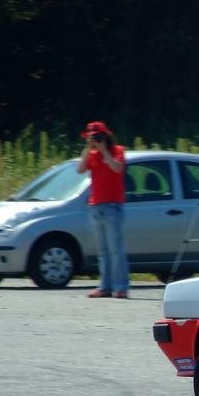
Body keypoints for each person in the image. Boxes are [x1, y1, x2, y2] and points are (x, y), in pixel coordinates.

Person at [77, 120, 129, 298]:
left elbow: (117, 168)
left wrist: (104, 150)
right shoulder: (91, 154)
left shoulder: (118, 151)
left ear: (105, 136)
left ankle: (121, 287)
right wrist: (87, 148)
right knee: (103, 251)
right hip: (95, 206)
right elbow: (80, 169)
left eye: (97, 136)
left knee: (116, 249)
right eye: (91, 137)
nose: (94, 140)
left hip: (113, 206)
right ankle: (105, 286)